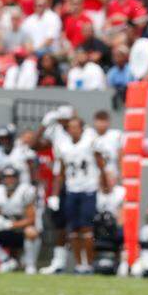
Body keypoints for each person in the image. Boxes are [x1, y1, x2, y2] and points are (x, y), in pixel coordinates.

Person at [52, 116, 108, 274]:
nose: (73, 130)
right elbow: (61, 172)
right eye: (70, 127)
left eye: (75, 127)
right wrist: (55, 194)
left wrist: (105, 186)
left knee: (87, 229)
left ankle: (88, 264)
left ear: (81, 128)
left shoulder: (90, 141)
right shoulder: (63, 145)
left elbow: (101, 164)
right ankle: (79, 264)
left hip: (88, 190)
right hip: (71, 190)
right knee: (73, 230)